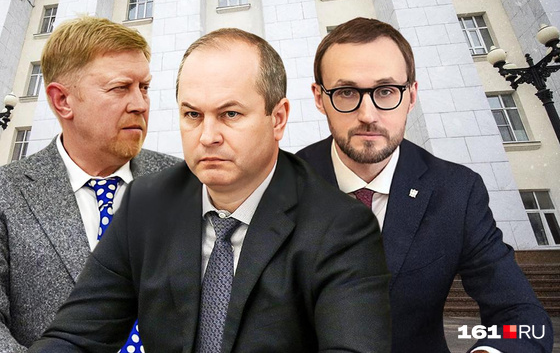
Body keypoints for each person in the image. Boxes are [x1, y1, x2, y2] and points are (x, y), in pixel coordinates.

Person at [29, 28, 392, 352]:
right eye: (193, 115)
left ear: (278, 119)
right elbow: (75, 337)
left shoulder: (343, 227)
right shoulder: (145, 204)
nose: (207, 137)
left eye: (230, 114)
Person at [297, 17, 553, 352]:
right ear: (319, 98)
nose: (368, 115)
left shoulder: (456, 192)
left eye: (386, 91)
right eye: (346, 92)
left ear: (411, 95)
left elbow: (522, 318)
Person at [0, 16, 181, 352]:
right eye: (120, 88)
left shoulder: (184, 182)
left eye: (144, 87)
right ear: (63, 101)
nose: (140, 104)